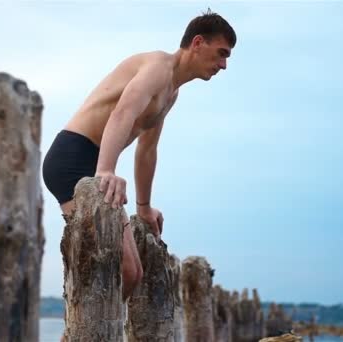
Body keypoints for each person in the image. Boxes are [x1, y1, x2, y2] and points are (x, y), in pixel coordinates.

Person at [42, 9, 236, 301]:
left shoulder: (171, 91)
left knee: (131, 274)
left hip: (92, 161)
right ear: (197, 42)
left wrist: (144, 207)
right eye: (221, 53)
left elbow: (147, 150)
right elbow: (123, 112)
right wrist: (105, 171)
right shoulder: (158, 67)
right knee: (114, 267)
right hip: (73, 157)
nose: (223, 65)